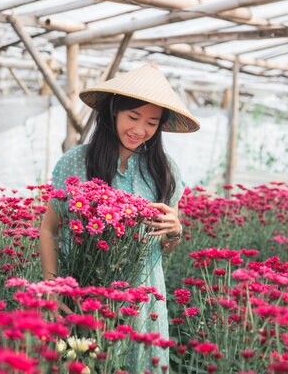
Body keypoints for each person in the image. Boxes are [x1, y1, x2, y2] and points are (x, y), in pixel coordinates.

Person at [38, 62, 200, 372]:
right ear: (113, 111)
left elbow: (166, 246)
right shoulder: (76, 162)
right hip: (85, 291)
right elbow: (49, 229)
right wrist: (52, 284)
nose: (140, 130)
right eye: (133, 117)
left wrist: (174, 231)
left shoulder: (164, 171)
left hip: (143, 298)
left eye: (152, 122)